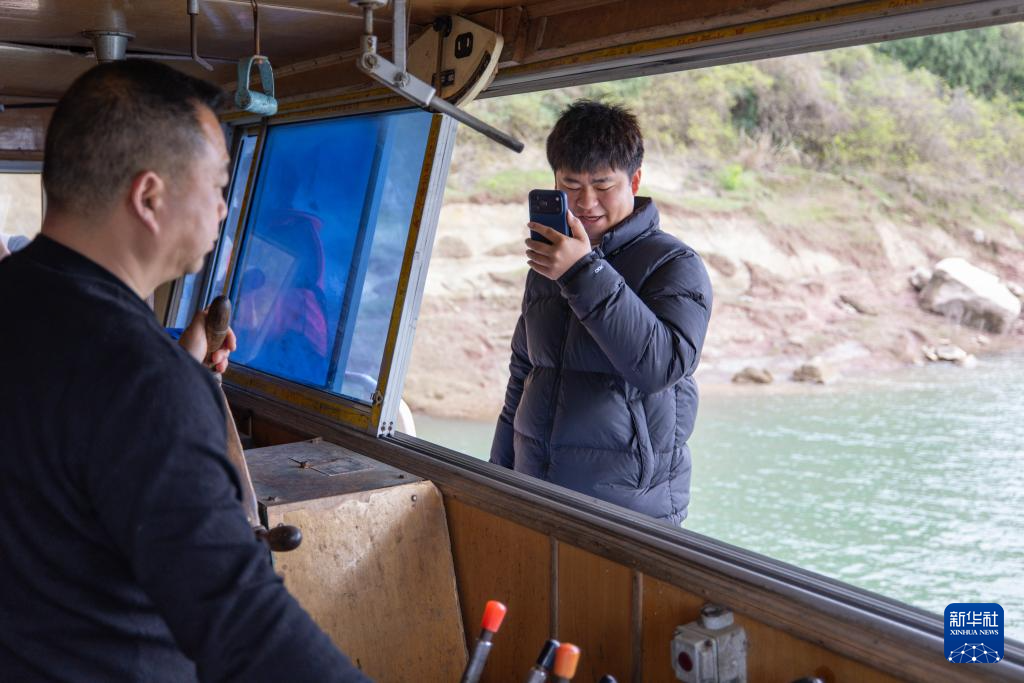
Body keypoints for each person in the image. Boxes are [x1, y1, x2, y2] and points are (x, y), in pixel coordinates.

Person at [0, 62, 369, 682]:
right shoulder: (144, 380)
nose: (223, 209)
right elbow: (242, 625)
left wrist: (180, 365)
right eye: (218, 185)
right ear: (150, 197)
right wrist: (175, 380)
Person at [490, 100, 713, 526]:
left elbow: (661, 367)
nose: (586, 202)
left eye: (602, 185)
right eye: (571, 185)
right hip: (535, 491)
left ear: (635, 179)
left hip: (629, 509)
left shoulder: (675, 264)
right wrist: (498, 478)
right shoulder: (549, 262)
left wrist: (581, 271)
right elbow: (523, 374)